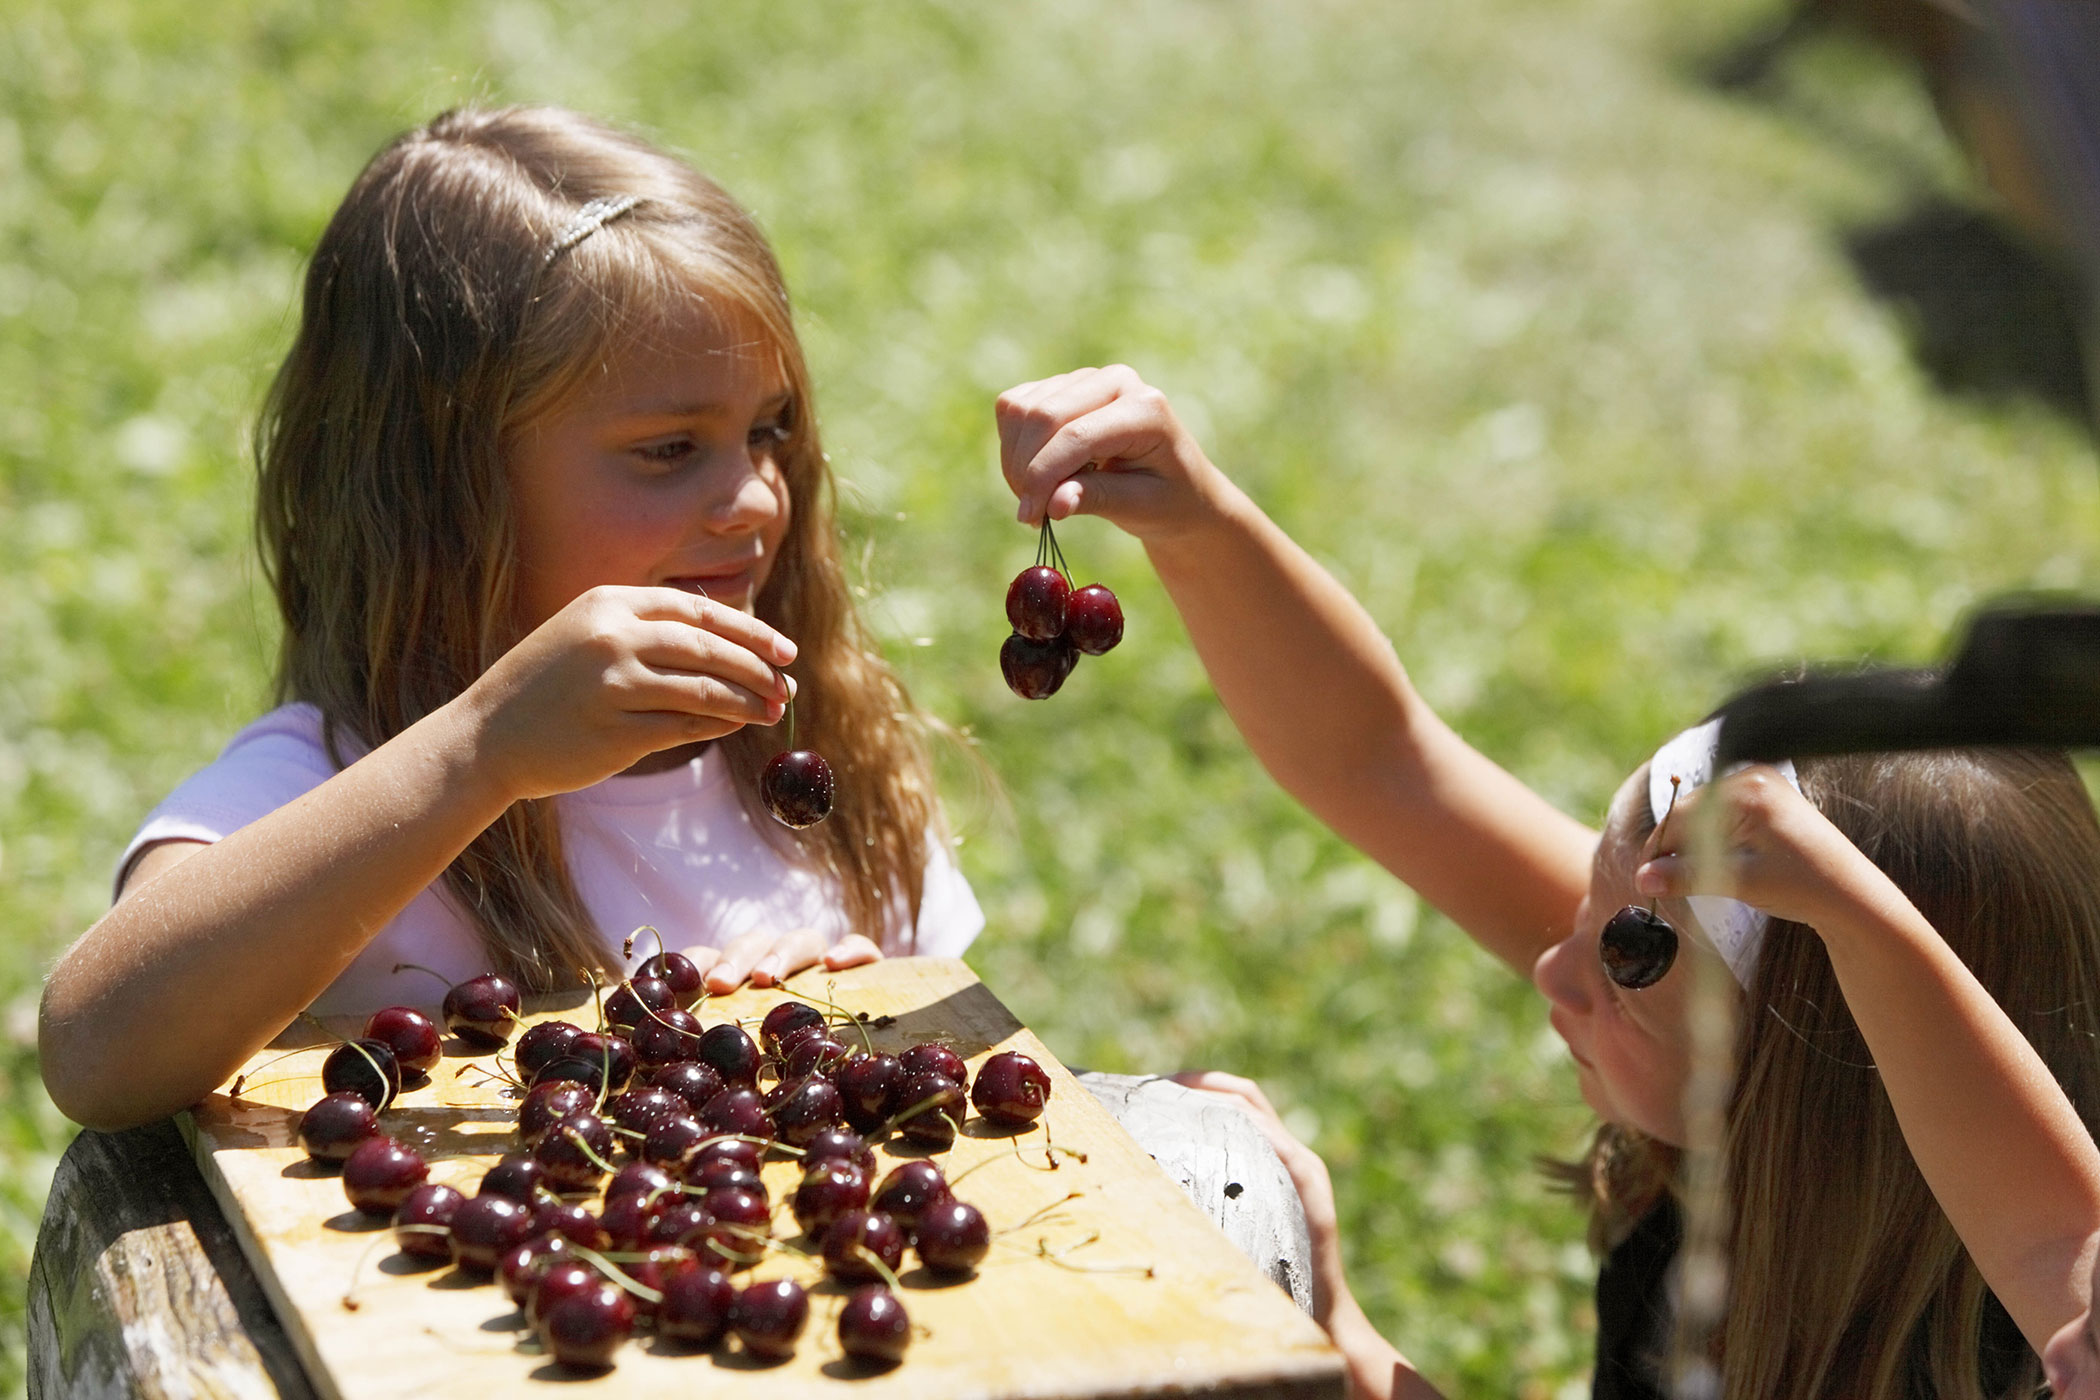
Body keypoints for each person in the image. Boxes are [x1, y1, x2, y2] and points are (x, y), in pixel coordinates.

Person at [998, 365, 2100, 1400]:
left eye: (1626, 961)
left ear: (1828, 1070)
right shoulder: (1726, 1044)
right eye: (1593, 893)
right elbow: (1387, 767)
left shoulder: (2026, 1353)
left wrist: (1337, 1326)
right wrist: (1197, 518)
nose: (1552, 965)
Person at [39, 106, 981, 1134]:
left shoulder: (812, 772)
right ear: (448, 487)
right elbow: (97, 1050)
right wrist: (481, 750)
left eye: (769, 430)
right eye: (670, 449)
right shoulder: (336, 786)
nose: (756, 495)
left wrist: (834, 1018)